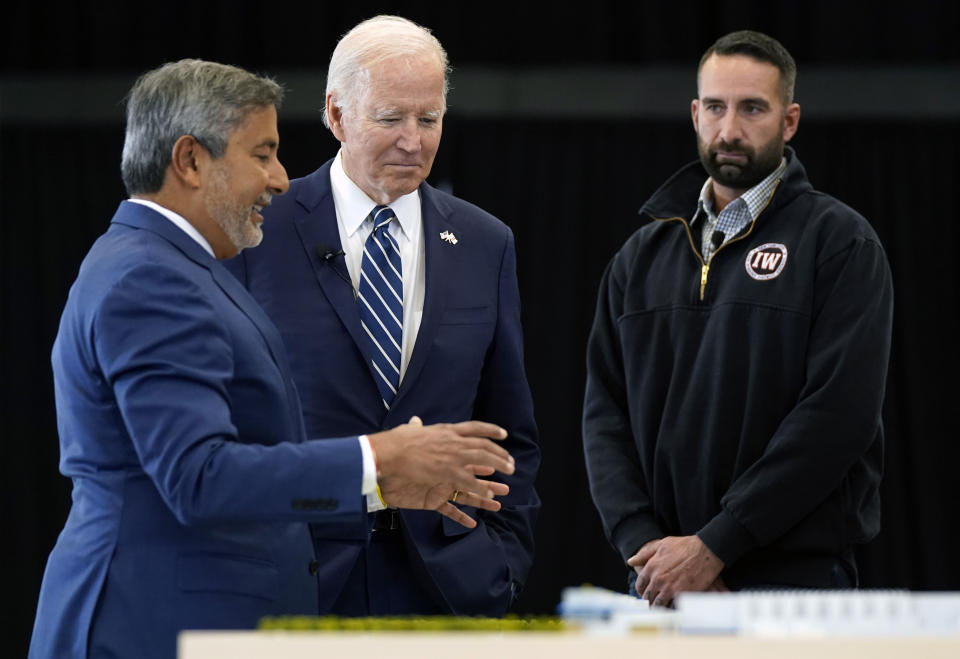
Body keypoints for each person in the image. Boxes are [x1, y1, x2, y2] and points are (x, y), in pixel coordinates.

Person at [29, 59, 517, 659]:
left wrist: (384, 483)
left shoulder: (178, 267)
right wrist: (378, 463)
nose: (282, 179)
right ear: (190, 161)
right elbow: (198, 478)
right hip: (151, 621)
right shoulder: (151, 278)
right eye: (262, 154)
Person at [226, 15, 540, 616]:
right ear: (337, 116)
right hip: (299, 584)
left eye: (429, 119)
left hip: (450, 589)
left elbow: (510, 431)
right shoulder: (259, 229)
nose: (414, 141)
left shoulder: (485, 241)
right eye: (391, 119)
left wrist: (503, 566)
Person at [583, 30, 893, 607]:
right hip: (657, 582)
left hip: (793, 585)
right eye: (717, 108)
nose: (730, 130)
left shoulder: (840, 244)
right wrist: (650, 550)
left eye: (753, 108)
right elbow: (604, 419)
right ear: (696, 114)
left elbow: (837, 417)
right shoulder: (639, 258)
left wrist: (716, 546)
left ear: (790, 120)